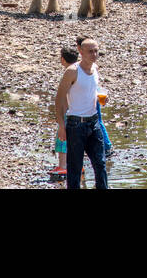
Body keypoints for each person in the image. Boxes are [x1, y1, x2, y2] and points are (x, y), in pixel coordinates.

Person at [55, 37, 108, 189]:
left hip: (94, 122)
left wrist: (101, 96)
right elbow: (59, 99)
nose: (94, 54)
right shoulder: (72, 71)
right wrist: (61, 125)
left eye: (96, 51)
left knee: (100, 163)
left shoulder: (95, 68)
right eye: (90, 51)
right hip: (76, 123)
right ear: (80, 51)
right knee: (75, 168)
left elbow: (93, 89)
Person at [51, 47, 77, 176]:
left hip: (69, 112)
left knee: (62, 138)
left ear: (62, 59)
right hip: (79, 111)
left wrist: (62, 112)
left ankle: (62, 166)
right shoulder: (80, 71)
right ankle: (77, 165)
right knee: (76, 140)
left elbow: (64, 95)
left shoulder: (68, 73)